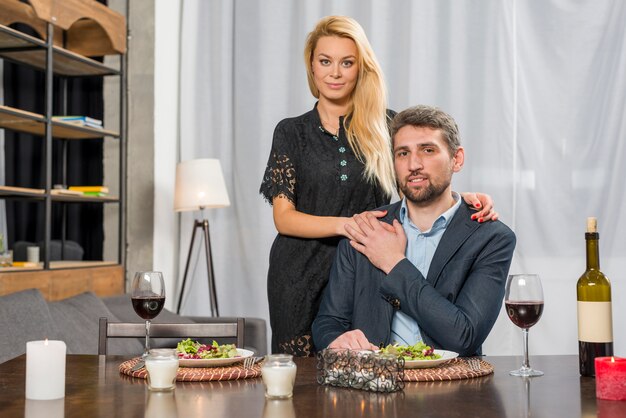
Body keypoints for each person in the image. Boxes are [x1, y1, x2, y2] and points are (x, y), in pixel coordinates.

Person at [259, 16, 497, 356]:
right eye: (325, 61)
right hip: (298, 270)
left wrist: (460, 200)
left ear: (361, 68)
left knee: (365, 360)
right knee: (304, 378)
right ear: (311, 67)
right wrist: (350, 225)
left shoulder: (385, 124)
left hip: (365, 262)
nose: (335, 73)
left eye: (347, 62)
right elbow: (283, 217)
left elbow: (414, 184)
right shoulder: (290, 132)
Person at [311, 105, 516, 357]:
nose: (413, 164)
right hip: (373, 384)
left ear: (457, 159)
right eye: (402, 153)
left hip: (452, 388)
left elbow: (464, 337)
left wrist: (394, 263)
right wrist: (338, 339)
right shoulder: (366, 228)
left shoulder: (491, 238)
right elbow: (326, 323)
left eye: (428, 150)